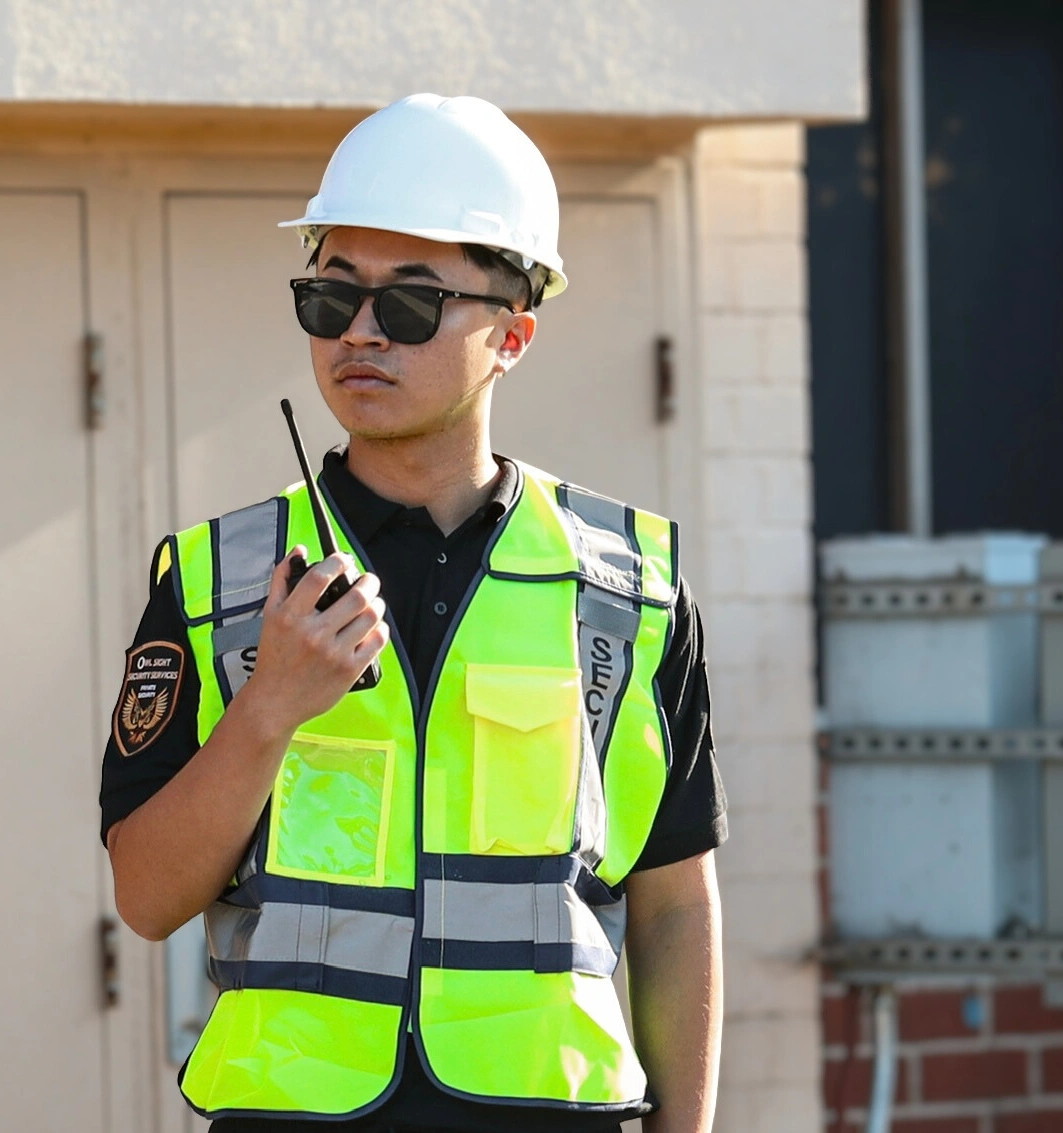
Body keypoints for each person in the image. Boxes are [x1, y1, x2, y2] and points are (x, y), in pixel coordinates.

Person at [101, 93, 726, 1133]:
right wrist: (268, 707)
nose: (359, 332)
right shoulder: (219, 579)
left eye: (408, 303)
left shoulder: (626, 588)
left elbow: (675, 904)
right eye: (330, 295)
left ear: (512, 334)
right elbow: (146, 895)